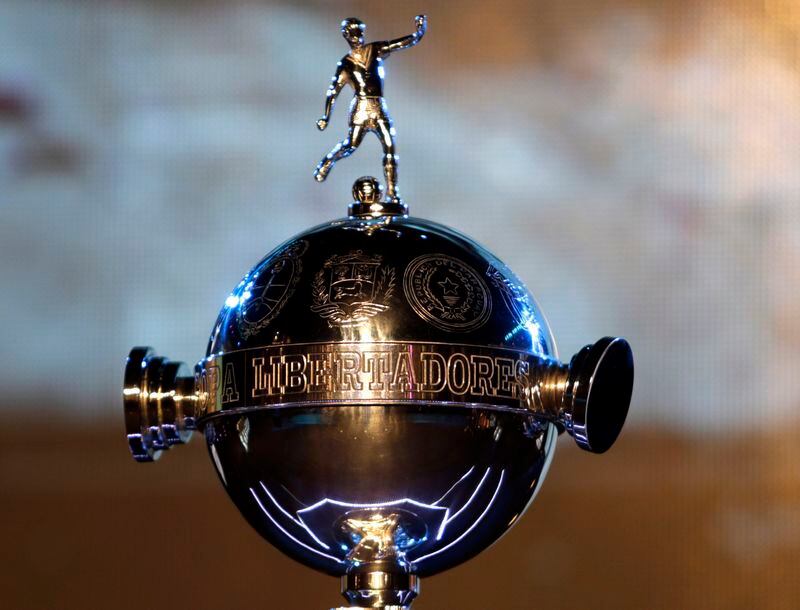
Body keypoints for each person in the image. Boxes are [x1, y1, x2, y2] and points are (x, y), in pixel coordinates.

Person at [314, 15, 427, 202]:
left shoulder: (374, 50)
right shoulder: (346, 64)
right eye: (353, 34)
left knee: (389, 147)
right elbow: (333, 90)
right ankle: (327, 162)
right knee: (351, 145)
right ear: (346, 36)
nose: (357, 37)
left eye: (359, 32)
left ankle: (392, 192)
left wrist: (418, 34)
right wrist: (326, 116)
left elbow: (398, 44)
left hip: (378, 106)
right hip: (361, 106)